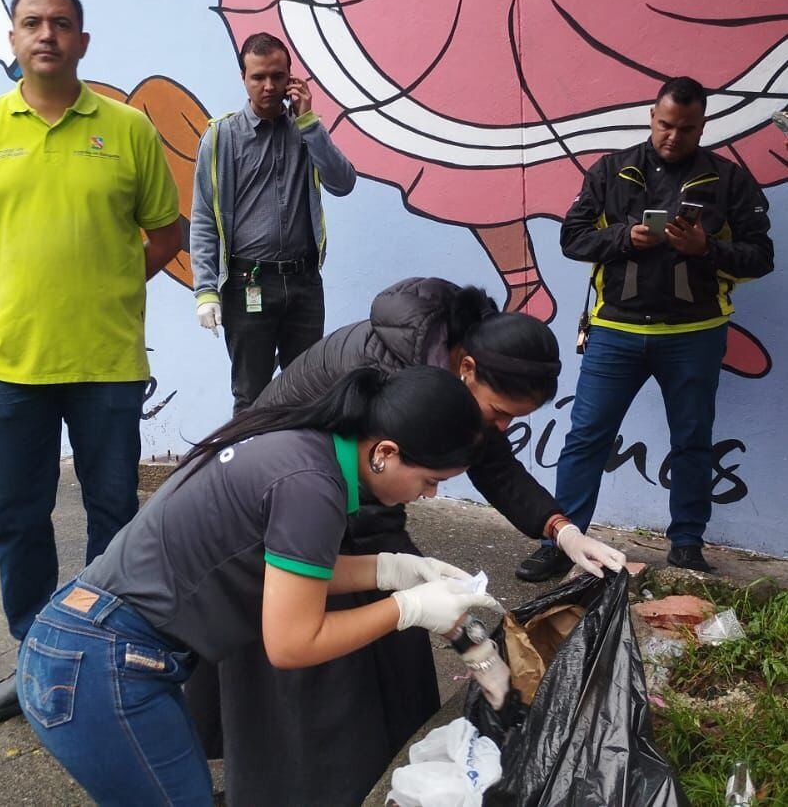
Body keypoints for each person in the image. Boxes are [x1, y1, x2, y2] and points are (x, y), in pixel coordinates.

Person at [182, 276, 627, 805]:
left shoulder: (448, 369)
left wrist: (562, 531)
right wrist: (455, 632)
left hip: (330, 505)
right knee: (322, 680)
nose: (504, 427)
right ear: (466, 370)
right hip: (283, 516)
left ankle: (376, 767)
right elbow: (309, 618)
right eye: (500, 413)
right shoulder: (390, 389)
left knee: (391, 634)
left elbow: (487, 461)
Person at [17, 365, 502, 805]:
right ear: (385, 453)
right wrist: (409, 608)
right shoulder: (311, 484)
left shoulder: (304, 447)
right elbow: (292, 643)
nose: (430, 494)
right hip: (101, 667)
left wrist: (390, 569)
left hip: (82, 641)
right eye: (431, 479)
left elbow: (297, 575)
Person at [0, 0, 182, 722]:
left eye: (61, 23)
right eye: (32, 22)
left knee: (115, 517)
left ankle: (109, 656)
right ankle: (35, 657)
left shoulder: (128, 129)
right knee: (18, 517)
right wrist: (21, 288)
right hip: (7, 365)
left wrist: (104, 285)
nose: (46, 34)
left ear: (82, 40)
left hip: (106, 364)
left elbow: (165, 233)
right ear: (12, 38)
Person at [522, 76, 774, 579]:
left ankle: (687, 545)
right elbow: (572, 239)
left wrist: (706, 248)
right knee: (586, 438)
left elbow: (761, 257)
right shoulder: (611, 170)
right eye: (665, 125)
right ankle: (561, 543)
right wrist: (623, 238)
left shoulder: (729, 179)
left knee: (693, 440)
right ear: (651, 117)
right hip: (615, 330)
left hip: (694, 333)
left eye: (686, 128)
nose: (673, 136)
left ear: (702, 125)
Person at [190, 31, 356, 411]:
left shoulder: (306, 130)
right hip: (248, 284)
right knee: (252, 397)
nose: (268, 86)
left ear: (291, 78)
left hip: (303, 283)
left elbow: (343, 183)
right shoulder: (222, 137)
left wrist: (309, 122)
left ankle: (300, 453)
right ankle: (251, 454)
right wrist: (206, 291)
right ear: (243, 78)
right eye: (258, 77)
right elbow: (203, 218)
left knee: (310, 393)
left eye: (277, 76)